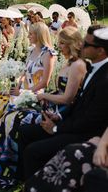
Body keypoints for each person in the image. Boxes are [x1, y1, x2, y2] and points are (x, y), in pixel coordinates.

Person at [18, 25, 108, 182]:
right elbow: (77, 101)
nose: (81, 45)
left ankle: (34, 184)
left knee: (32, 151)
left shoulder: (104, 78)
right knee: (25, 132)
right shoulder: (93, 67)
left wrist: (56, 128)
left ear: (100, 51)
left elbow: (91, 121)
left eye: (87, 44)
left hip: (85, 134)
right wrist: (58, 116)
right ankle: (26, 179)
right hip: (71, 123)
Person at [0, 22, 56, 189]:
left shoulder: (48, 54)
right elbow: (23, 73)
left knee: (5, 114)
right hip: (22, 93)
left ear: (39, 35)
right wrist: (19, 84)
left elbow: (45, 82)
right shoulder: (31, 51)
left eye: (31, 34)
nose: (28, 36)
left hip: (35, 96)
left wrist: (25, 92)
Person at [24, 127, 108, 192]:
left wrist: (56, 128)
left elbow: (85, 123)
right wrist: (102, 144)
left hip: (78, 131)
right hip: (72, 129)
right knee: (72, 151)